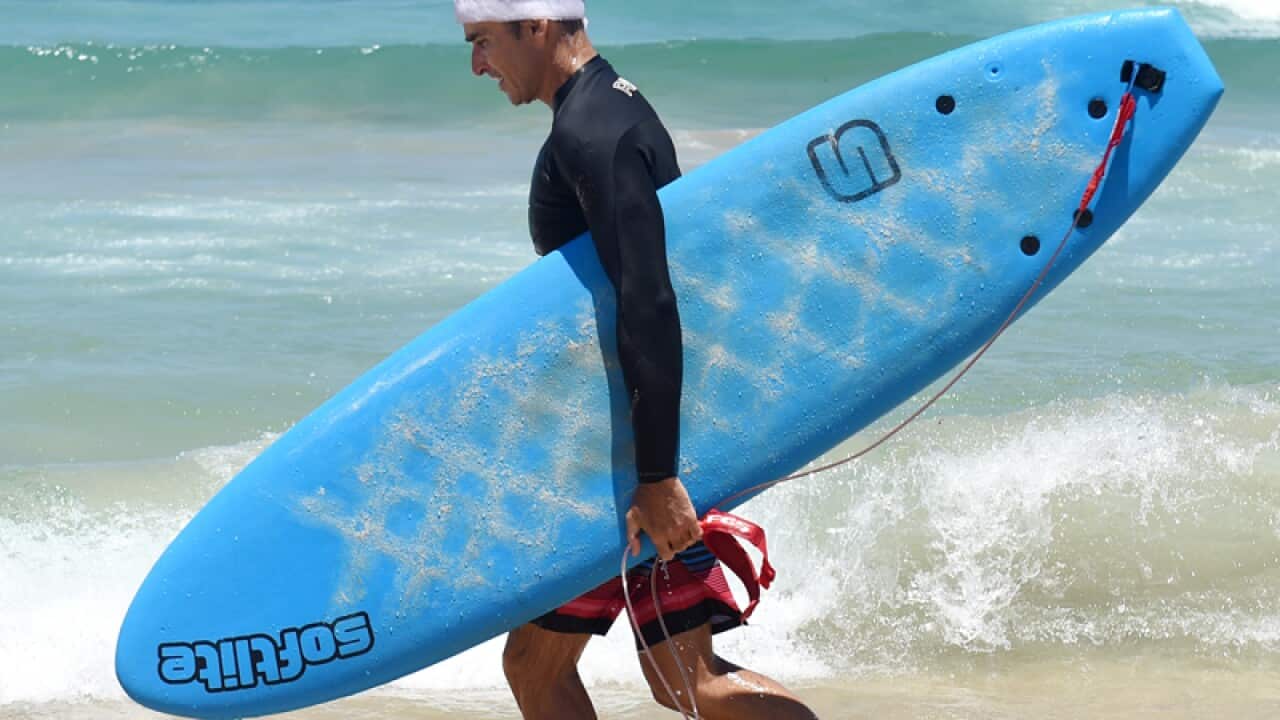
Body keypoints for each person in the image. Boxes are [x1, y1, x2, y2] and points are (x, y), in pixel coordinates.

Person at [458, 2, 816, 718]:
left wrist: (655, 479)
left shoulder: (595, 132)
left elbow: (647, 298)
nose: (477, 66)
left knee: (558, 668)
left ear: (535, 27)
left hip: (627, 470)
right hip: (634, 449)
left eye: (483, 43)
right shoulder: (609, 109)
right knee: (678, 678)